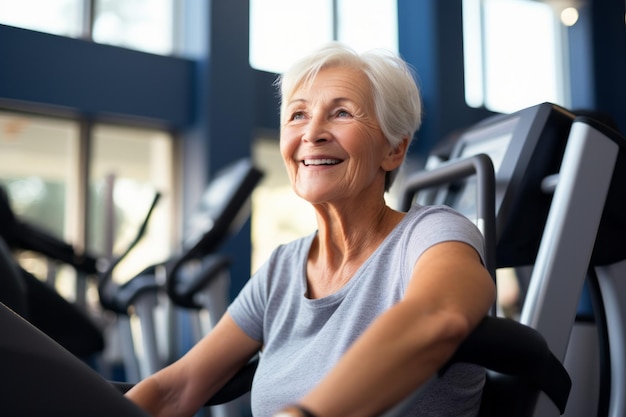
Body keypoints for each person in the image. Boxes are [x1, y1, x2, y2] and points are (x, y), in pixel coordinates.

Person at [125, 42, 496, 417]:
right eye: (298, 115)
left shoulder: (431, 233)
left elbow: (440, 316)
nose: (313, 133)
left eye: (341, 113)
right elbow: (177, 389)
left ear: (394, 150)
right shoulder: (281, 270)